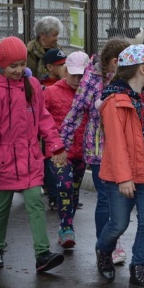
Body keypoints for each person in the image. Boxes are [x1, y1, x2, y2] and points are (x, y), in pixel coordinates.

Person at [0, 36, 67, 273]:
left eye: (22, 64)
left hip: (30, 159)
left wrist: (56, 145)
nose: (19, 70)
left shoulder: (33, 88)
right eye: (13, 66)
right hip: (4, 161)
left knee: (35, 205)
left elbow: (43, 119)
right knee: (0, 207)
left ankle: (42, 254)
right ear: (1, 65)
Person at [92, 44, 144, 288]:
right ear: (142, 68)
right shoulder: (115, 101)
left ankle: (139, 270)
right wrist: (125, 178)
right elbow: (114, 144)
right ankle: (103, 249)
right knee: (119, 224)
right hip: (120, 175)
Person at [60, 37, 131, 263]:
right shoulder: (92, 79)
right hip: (99, 146)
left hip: (122, 144)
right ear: (113, 62)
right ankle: (106, 245)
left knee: (120, 197)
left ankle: (112, 238)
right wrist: (62, 143)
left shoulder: (127, 77)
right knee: (105, 197)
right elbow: (77, 109)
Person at [43, 49, 88, 251]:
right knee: (64, 186)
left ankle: (67, 225)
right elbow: (40, 120)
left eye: (82, 75)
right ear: (65, 71)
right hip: (59, 152)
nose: (77, 79)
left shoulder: (89, 94)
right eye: (73, 75)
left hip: (82, 151)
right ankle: (66, 227)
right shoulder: (51, 92)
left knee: (74, 192)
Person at [26, 15, 63, 81]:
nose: (57, 39)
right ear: (42, 35)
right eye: (54, 35)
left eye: (57, 35)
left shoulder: (59, 51)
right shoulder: (30, 52)